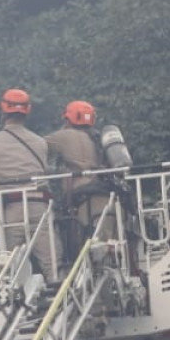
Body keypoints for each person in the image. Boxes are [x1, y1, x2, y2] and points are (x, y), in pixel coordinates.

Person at [0, 88, 57, 281]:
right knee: (53, 264)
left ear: (3, 110)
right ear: (27, 112)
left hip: (10, 211)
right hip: (40, 207)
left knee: (8, 269)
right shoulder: (40, 143)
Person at [46, 100, 114, 250]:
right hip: (105, 197)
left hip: (80, 200)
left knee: (84, 244)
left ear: (68, 118)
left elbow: (37, 146)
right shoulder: (97, 138)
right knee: (106, 244)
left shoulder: (63, 136)